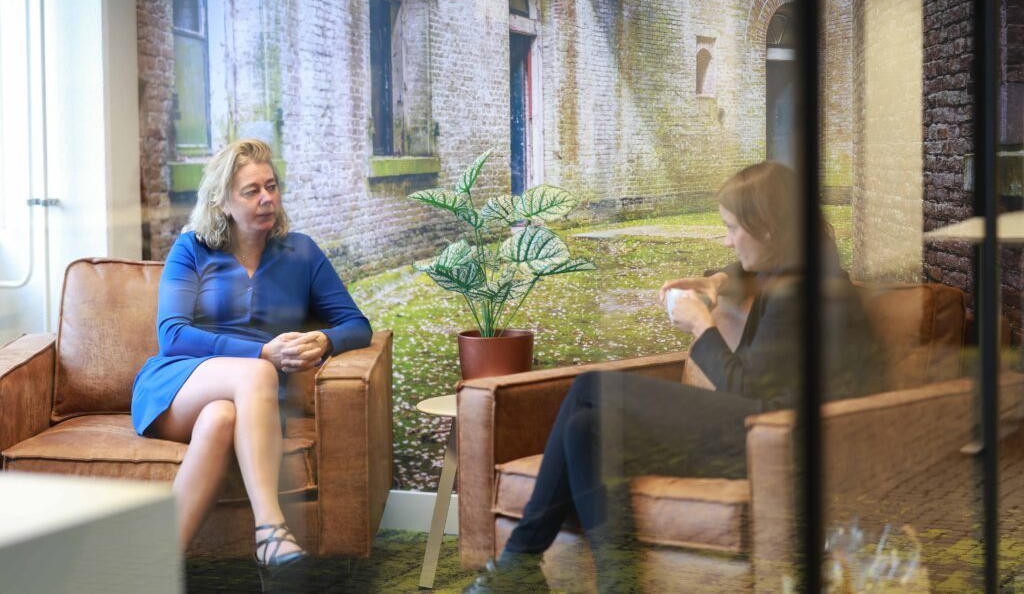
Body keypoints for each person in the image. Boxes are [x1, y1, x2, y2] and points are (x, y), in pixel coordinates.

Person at [463, 161, 881, 593]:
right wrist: (717, 279)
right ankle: (613, 584)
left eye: (733, 228)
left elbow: (743, 387)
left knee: (591, 387)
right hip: (761, 428)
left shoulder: (803, 293)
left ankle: (518, 563)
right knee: (587, 429)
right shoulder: (799, 267)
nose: (727, 238)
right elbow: (751, 269)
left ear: (769, 229)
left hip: (781, 443)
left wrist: (703, 325)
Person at [131, 139, 372, 590]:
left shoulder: (301, 253)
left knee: (222, 417)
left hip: (246, 404)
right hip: (177, 385)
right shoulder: (192, 250)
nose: (266, 199)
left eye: (272, 187)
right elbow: (173, 335)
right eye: (251, 191)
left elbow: (357, 325)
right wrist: (261, 353)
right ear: (222, 202)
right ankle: (271, 532)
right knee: (259, 371)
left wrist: (324, 338)